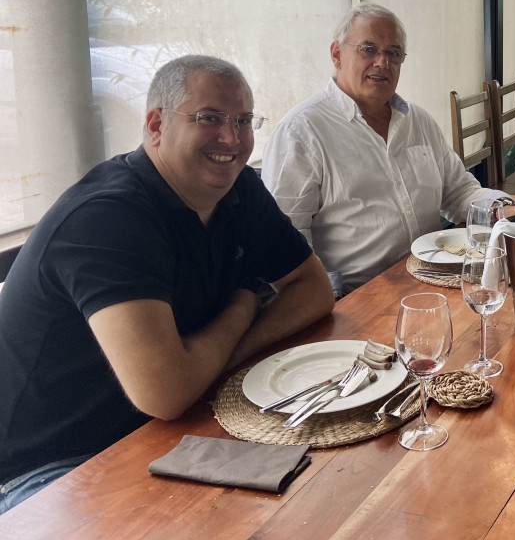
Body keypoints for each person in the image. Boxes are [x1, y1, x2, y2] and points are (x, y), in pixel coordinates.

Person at [0, 56, 334, 514]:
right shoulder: (108, 218)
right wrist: (242, 305)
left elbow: (314, 290)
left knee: (327, 489)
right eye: (209, 118)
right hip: (49, 470)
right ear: (157, 125)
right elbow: (166, 392)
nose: (232, 139)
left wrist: (210, 362)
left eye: (243, 121)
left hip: (173, 426)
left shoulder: (237, 187)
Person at [262, 3, 502, 295]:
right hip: (359, 296)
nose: (382, 62)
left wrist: (502, 209)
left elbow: (460, 192)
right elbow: (284, 244)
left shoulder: (419, 121)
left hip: (435, 279)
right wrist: (332, 302)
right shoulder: (301, 131)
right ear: (337, 54)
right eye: (368, 49)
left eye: (393, 53)